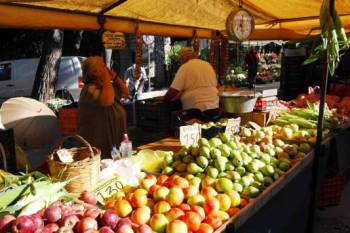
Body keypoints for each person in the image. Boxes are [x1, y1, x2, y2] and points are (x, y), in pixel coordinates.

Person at [77, 56, 129, 158]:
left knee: (120, 162)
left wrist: (114, 77)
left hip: (116, 134)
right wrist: (105, 77)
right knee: (105, 165)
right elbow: (107, 101)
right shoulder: (89, 89)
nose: (106, 68)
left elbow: (126, 92)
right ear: (93, 72)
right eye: (102, 66)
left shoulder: (105, 86)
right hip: (100, 140)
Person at [164, 47, 219, 112]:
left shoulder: (185, 67)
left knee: (196, 121)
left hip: (196, 105)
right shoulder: (208, 65)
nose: (180, 61)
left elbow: (174, 90)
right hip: (213, 102)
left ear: (183, 58)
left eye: (180, 59)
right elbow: (214, 84)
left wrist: (164, 99)